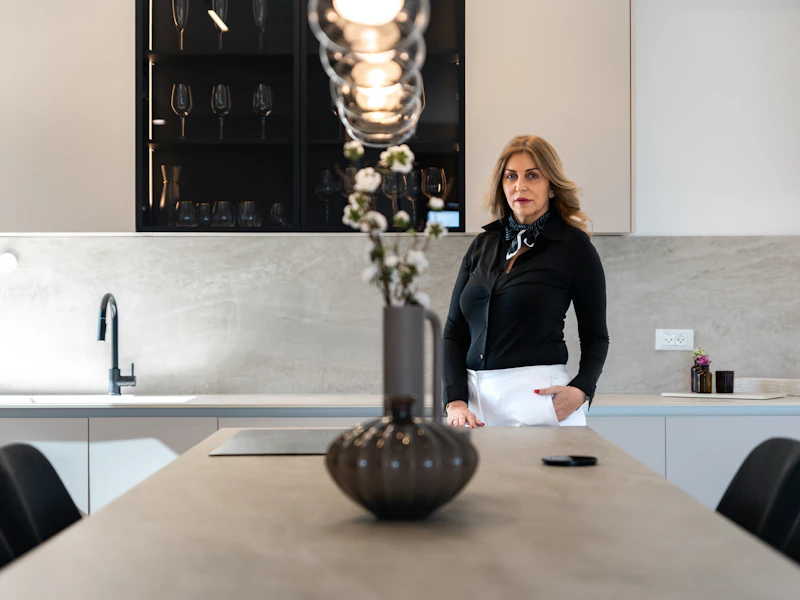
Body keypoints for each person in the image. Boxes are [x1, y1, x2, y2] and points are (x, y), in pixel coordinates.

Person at [443, 135, 609, 427]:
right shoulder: (482, 245)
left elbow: (596, 336)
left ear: (552, 186)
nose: (520, 185)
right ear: (502, 185)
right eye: (511, 176)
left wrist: (581, 390)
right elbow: (454, 331)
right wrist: (454, 400)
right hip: (472, 407)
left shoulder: (574, 246)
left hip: (540, 400)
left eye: (533, 175)